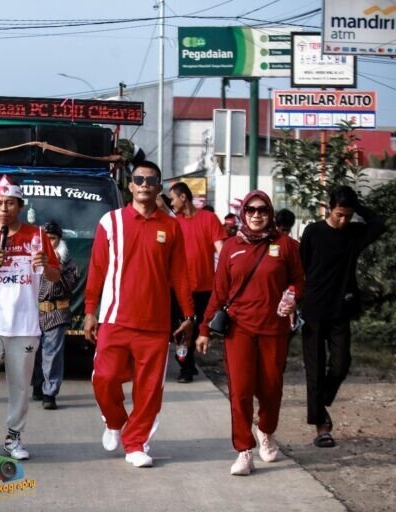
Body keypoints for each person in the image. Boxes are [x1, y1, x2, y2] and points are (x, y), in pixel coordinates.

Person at [84, 160, 195, 468]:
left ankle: (136, 444)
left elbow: (179, 273)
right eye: (139, 179)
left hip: (155, 324)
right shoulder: (111, 222)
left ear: (159, 187)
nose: (145, 184)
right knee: (103, 379)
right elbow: (97, 270)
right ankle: (115, 420)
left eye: (151, 180)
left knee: (148, 391)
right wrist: (90, 311)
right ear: (130, 185)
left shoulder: (171, 226)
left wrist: (189, 314)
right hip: (114, 319)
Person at [196, 190, 304, 476]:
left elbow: (299, 280)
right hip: (239, 330)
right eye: (251, 210)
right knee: (240, 391)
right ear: (243, 213)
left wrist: (293, 294)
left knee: (270, 390)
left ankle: (266, 432)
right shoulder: (231, 247)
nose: (256, 215)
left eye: (262, 210)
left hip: (274, 331)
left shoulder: (287, 246)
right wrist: (204, 328)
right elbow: (219, 291)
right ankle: (244, 450)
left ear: (270, 214)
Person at [0, 175, 60, 461]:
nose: (4, 208)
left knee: (19, 383)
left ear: (20, 206)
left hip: (25, 325)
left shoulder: (37, 235)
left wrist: (45, 264)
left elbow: (54, 277)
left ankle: (14, 437)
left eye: (10, 203)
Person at [299, 186, 385, 449]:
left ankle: (322, 398)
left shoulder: (354, 234)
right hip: (313, 311)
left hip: (340, 311)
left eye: (347, 215)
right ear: (328, 208)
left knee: (341, 364)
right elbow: (301, 266)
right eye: (339, 214)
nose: (343, 220)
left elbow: (379, 224)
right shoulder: (313, 232)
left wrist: (356, 206)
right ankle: (322, 427)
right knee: (314, 370)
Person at [168, 182, 227, 383]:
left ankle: (188, 363)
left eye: (173, 198)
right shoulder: (174, 222)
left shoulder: (209, 219)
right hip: (179, 288)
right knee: (182, 329)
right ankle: (185, 366)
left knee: (198, 328)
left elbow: (222, 250)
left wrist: (228, 275)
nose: (171, 203)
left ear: (183, 197)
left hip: (204, 288)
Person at [31, 221, 79, 410]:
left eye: (52, 239)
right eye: (45, 239)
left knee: (52, 353)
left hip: (56, 312)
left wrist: (53, 266)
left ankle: (49, 393)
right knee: (33, 352)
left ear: (59, 239)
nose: (49, 243)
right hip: (33, 312)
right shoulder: (31, 258)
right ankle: (37, 385)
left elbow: (68, 284)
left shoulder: (68, 262)